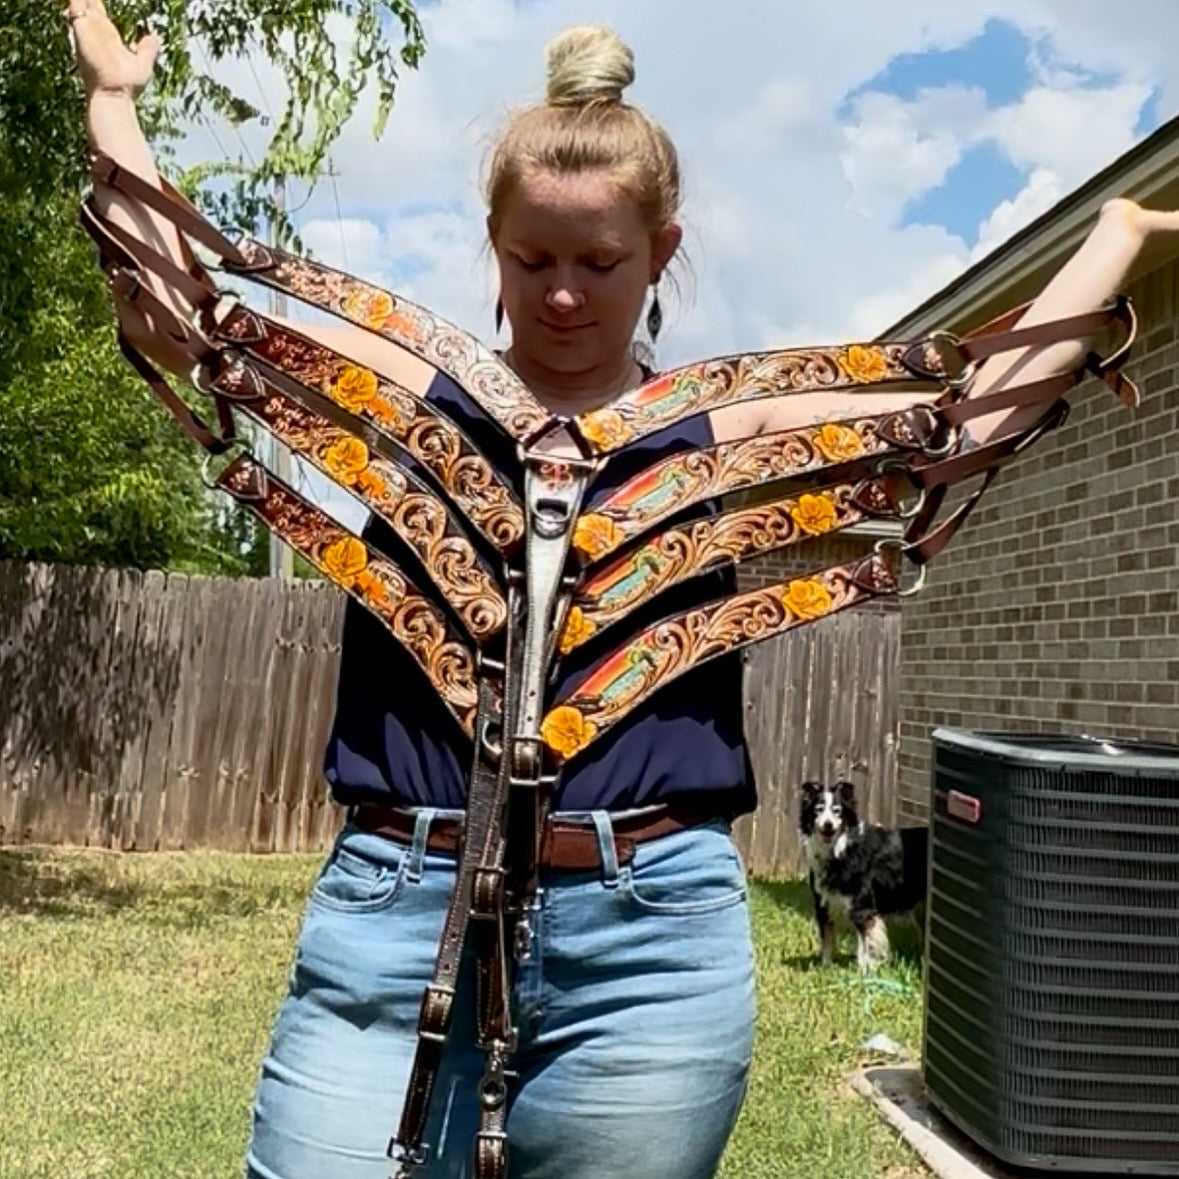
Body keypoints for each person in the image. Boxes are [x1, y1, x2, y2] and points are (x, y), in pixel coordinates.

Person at [68, 2, 1178, 1176]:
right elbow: (195, 311)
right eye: (531, 258)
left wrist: (1113, 240)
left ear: (661, 251)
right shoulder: (411, 392)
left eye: (599, 262)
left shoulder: (727, 425)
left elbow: (960, 417)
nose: (561, 293)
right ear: (491, 244)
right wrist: (114, 102)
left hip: (651, 937)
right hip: (398, 908)